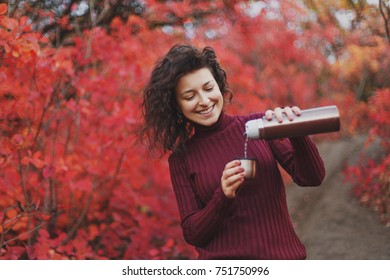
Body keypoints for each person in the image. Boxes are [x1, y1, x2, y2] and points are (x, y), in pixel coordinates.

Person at [140, 43, 325, 260]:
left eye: (208, 88)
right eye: (190, 96)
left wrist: (297, 131)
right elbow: (192, 233)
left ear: (219, 86)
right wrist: (223, 195)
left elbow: (312, 177)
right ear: (177, 105)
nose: (204, 101)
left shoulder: (259, 125)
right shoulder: (182, 159)